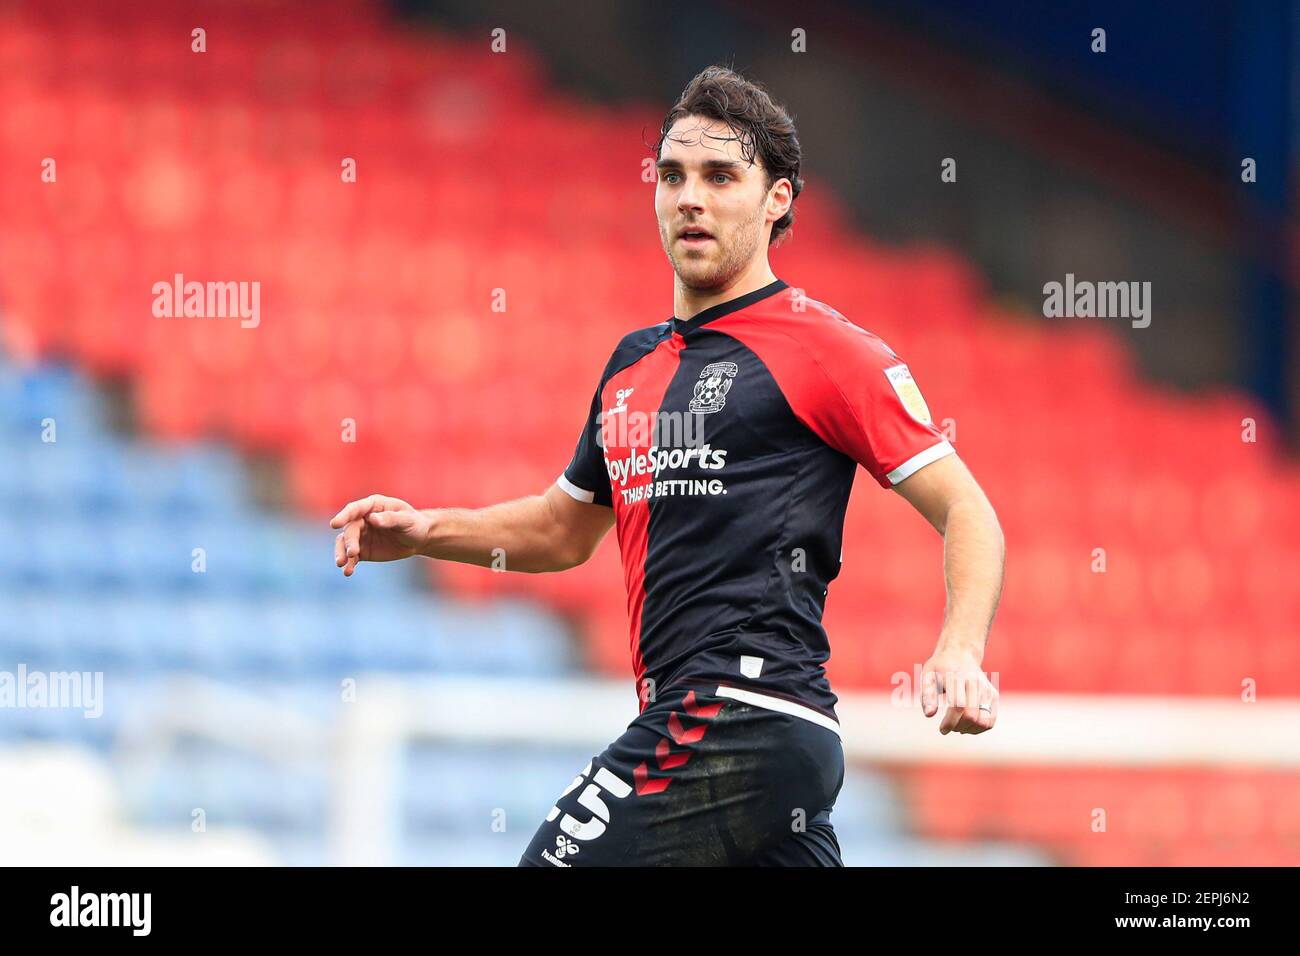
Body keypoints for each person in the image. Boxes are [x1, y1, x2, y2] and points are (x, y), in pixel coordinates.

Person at [330, 65, 1005, 866]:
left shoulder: (830, 352)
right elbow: (561, 530)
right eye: (673, 175)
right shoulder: (630, 366)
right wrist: (423, 530)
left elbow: (969, 512)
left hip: (741, 712)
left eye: (722, 176)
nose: (691, 197)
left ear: (777, 199)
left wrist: (958, 649)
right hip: (755, 755)